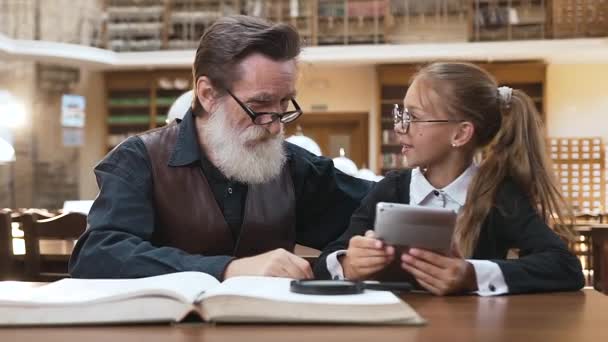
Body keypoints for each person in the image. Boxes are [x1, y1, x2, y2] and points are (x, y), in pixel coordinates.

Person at [69, 15, 372, 281]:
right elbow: (98, 255)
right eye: (259, 105)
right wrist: (228, 270)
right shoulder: (138, 160)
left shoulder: (292, 166)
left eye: (283, 104)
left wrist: (347, 259)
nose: (276, 125)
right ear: (207, 94)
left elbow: (374, 209)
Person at [315, 62, 585, 295]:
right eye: (402, 115)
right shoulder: (391, 188)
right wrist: (349, 263)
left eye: (414, 118)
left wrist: (470, 275)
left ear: (460, 134)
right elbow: (324, 263)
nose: (399, 128)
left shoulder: (499, 195)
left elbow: (565, 267)